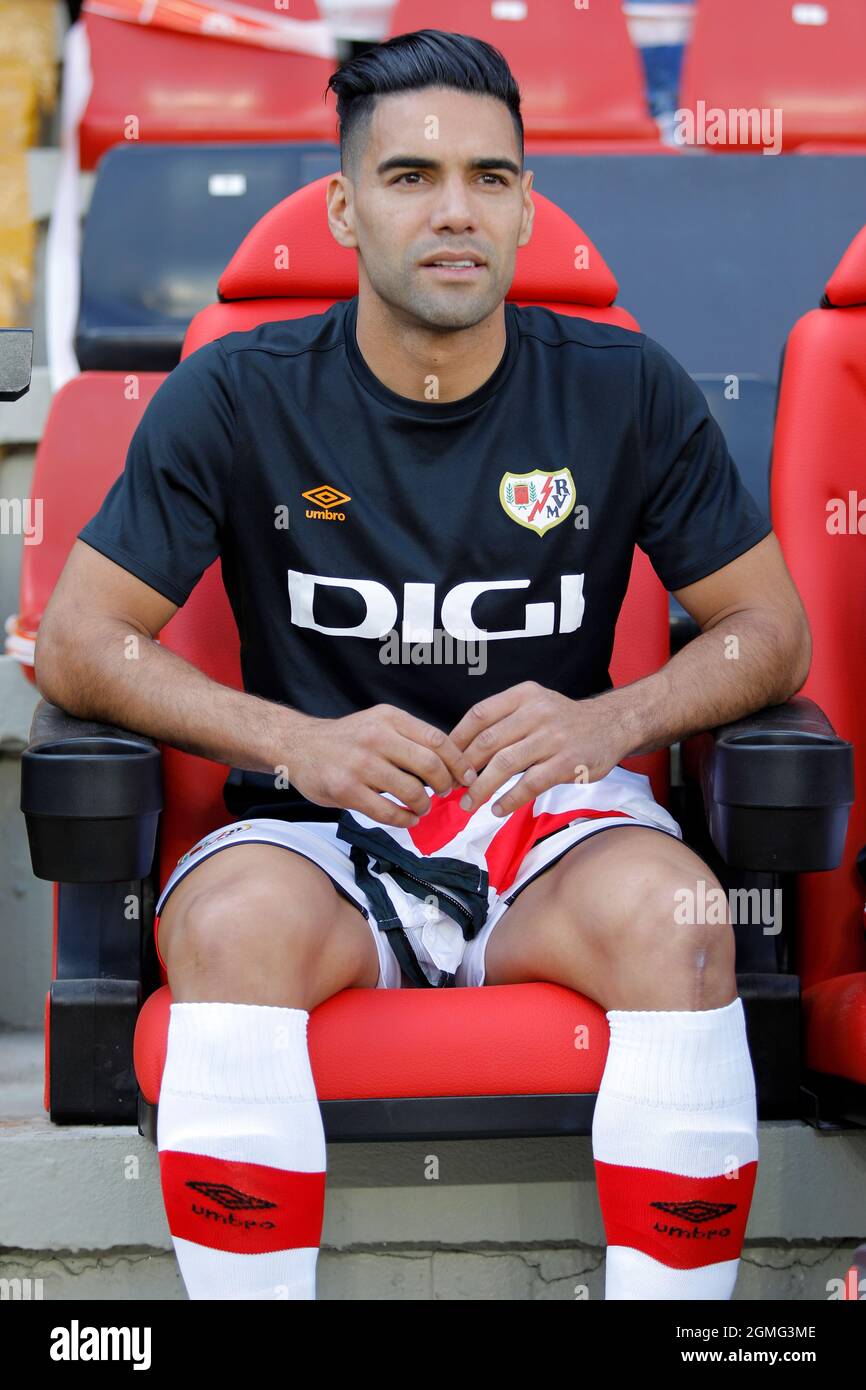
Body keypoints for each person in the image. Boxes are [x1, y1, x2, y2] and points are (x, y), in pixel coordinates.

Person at [35, 29, 811, 1301]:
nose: (456, 211)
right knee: (225, 930)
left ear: (523, 205)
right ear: (343, 207)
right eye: (411, 177)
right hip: (316, 829)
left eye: (490, 178)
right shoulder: (236, 392)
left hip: (548, 824)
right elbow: (78, 640)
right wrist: (293, 739)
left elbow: (768, 627)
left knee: (679, 927)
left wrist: (611, 720)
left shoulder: (623, 385)